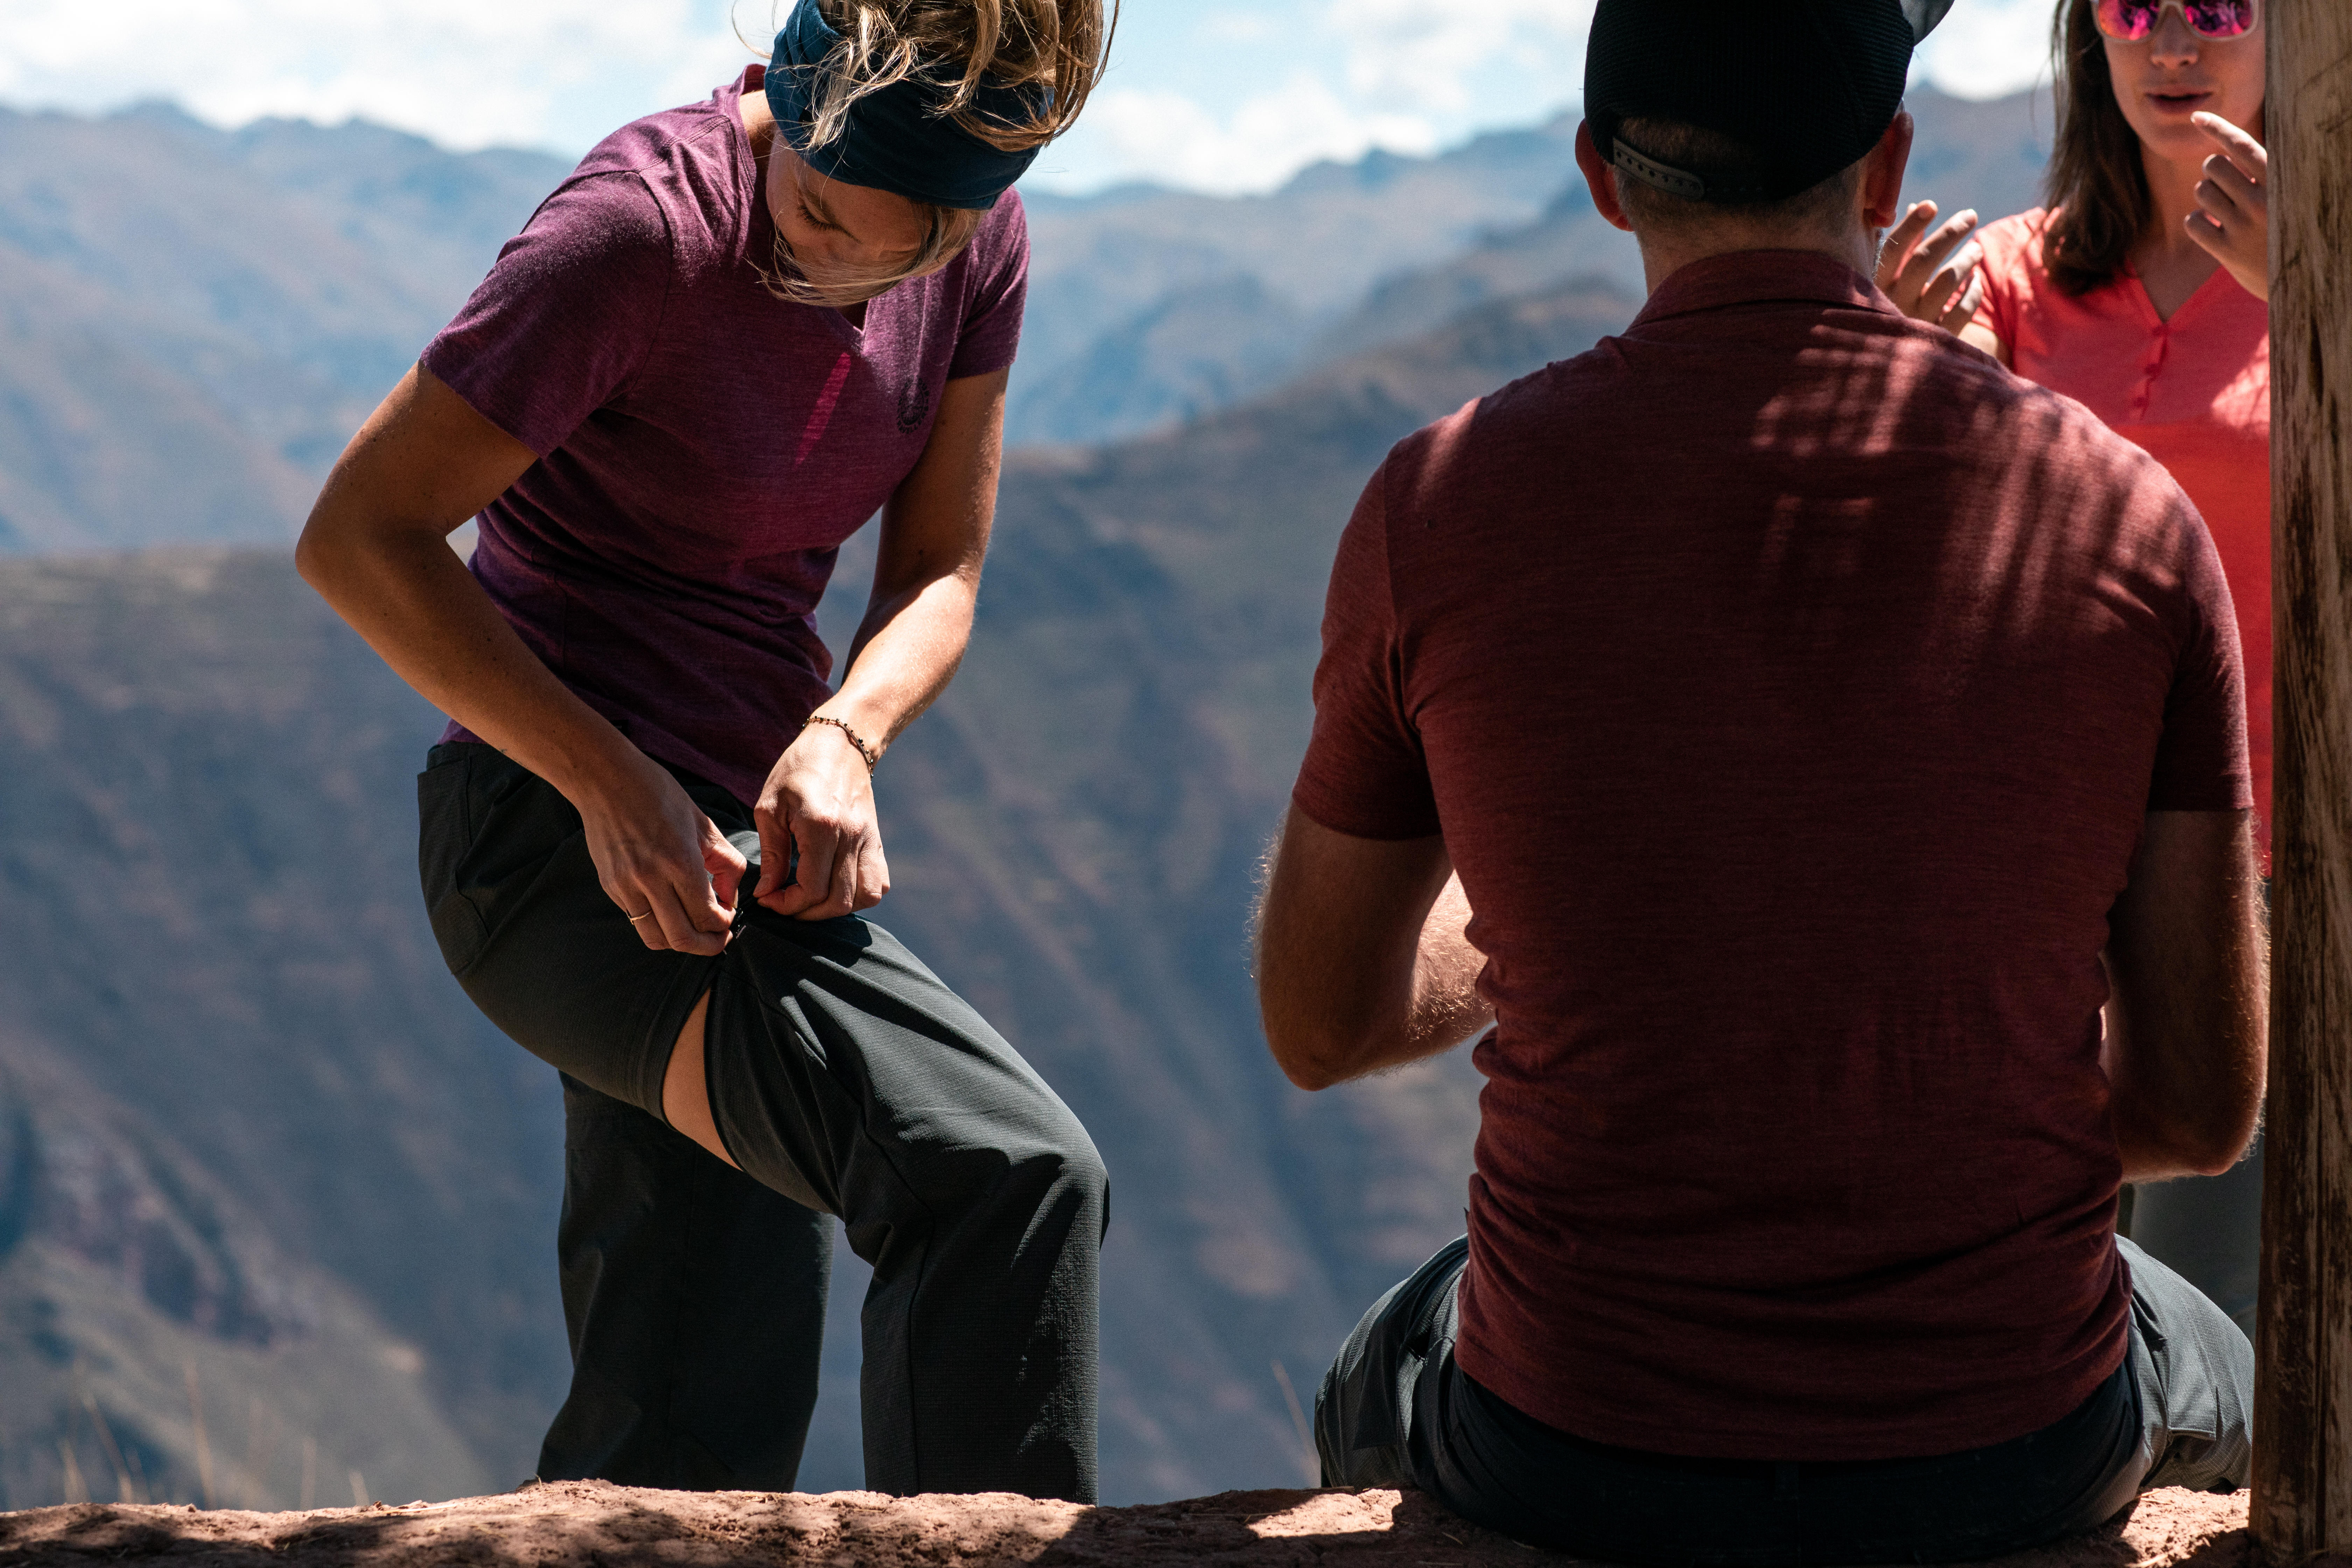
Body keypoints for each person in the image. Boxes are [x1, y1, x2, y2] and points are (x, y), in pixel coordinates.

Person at [1254, 2, 2266, 1561]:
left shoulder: (1439, 500)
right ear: (1888, 171)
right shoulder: (2129, 519)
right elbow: (2201, 1107)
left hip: (1573, 1443)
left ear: (1602, 174)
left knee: (1372, 1363)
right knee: (2225, 1368)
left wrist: (1541, 908)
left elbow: (1322, 1025)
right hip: (2008, 1448)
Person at [296, 0, 1113, 1503]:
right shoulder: (637, 238)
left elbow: (941, 568)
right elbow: (359, 536)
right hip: (549, 838)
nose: (842, 268)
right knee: (1002, 1174)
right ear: (789, 104)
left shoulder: (978, 241)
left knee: (684, 1432)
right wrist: (611, 783)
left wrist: (844, 733)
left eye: (903, 247)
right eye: (813, 215)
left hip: (745, 859)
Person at [1879, 0, 2271, 1343]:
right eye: (2132, 6)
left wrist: (2327, 300)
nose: (2174, 43)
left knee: (2219, 1283)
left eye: (2220, 5)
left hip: (2284, 867)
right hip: (2054, 865)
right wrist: (1930, 377)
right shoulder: (2008, 279)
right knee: (2027, 1270)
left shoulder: (2330, 262)